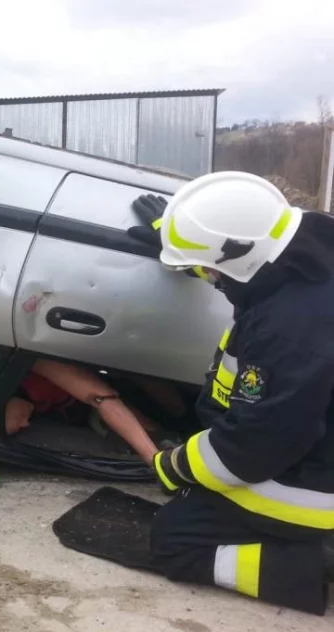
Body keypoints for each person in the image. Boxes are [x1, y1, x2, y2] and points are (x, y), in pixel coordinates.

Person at [127, 172, 334, 615]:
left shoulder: (289, 329)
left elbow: (253, 448)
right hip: (309, 432)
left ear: (239, 258)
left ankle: (311, 563)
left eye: (207, 269)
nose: (206, 278)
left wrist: (176, 467)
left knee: (174, 538)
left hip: (317, 482)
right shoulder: (300, 257)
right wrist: (182, 241)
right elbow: (242, 264)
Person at [0, 358, 172, 464]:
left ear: (2, 402)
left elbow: (102, 398)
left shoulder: (30, 368)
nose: (26, 423)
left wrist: (153, 459)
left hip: (110, 385)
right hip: (85, 410)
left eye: (17, 421)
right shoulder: (27, 404)